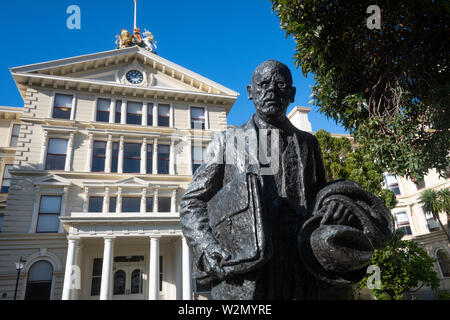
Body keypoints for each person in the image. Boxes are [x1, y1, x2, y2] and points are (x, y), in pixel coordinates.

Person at [180, 59, 393, 299]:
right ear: (251, 93)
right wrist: (206, 246)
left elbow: (321, 193)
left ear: (291, 94)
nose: (271, 90)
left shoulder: (308, 143)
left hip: (303, 264)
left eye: (280, 84)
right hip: (250, 270)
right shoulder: (227, 141)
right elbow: (192, 201)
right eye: (263, 84)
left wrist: (335, 206)